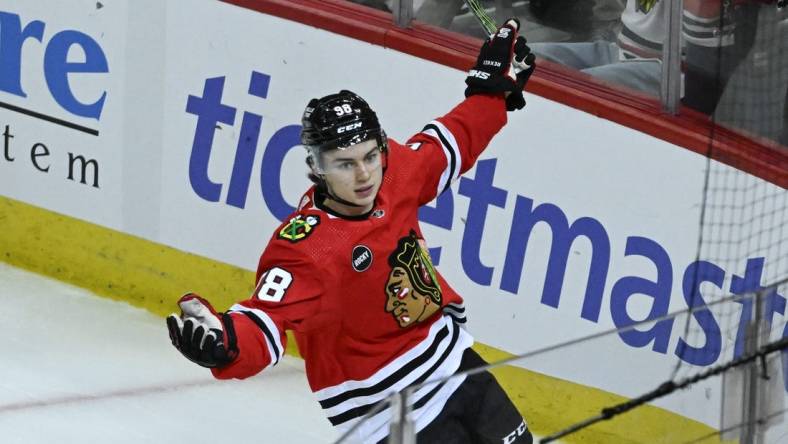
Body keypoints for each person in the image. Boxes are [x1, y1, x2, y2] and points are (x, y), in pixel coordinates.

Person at [166, 18, 536, 444]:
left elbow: (451, 142)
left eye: (369, 156)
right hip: (386, 416)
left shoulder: (394, 171)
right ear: (317, 167)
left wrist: (493, 93)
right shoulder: (306, 249)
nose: (363, 175)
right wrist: (226, 343)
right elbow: (264, 321)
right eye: (344, 163)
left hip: (457, 369)